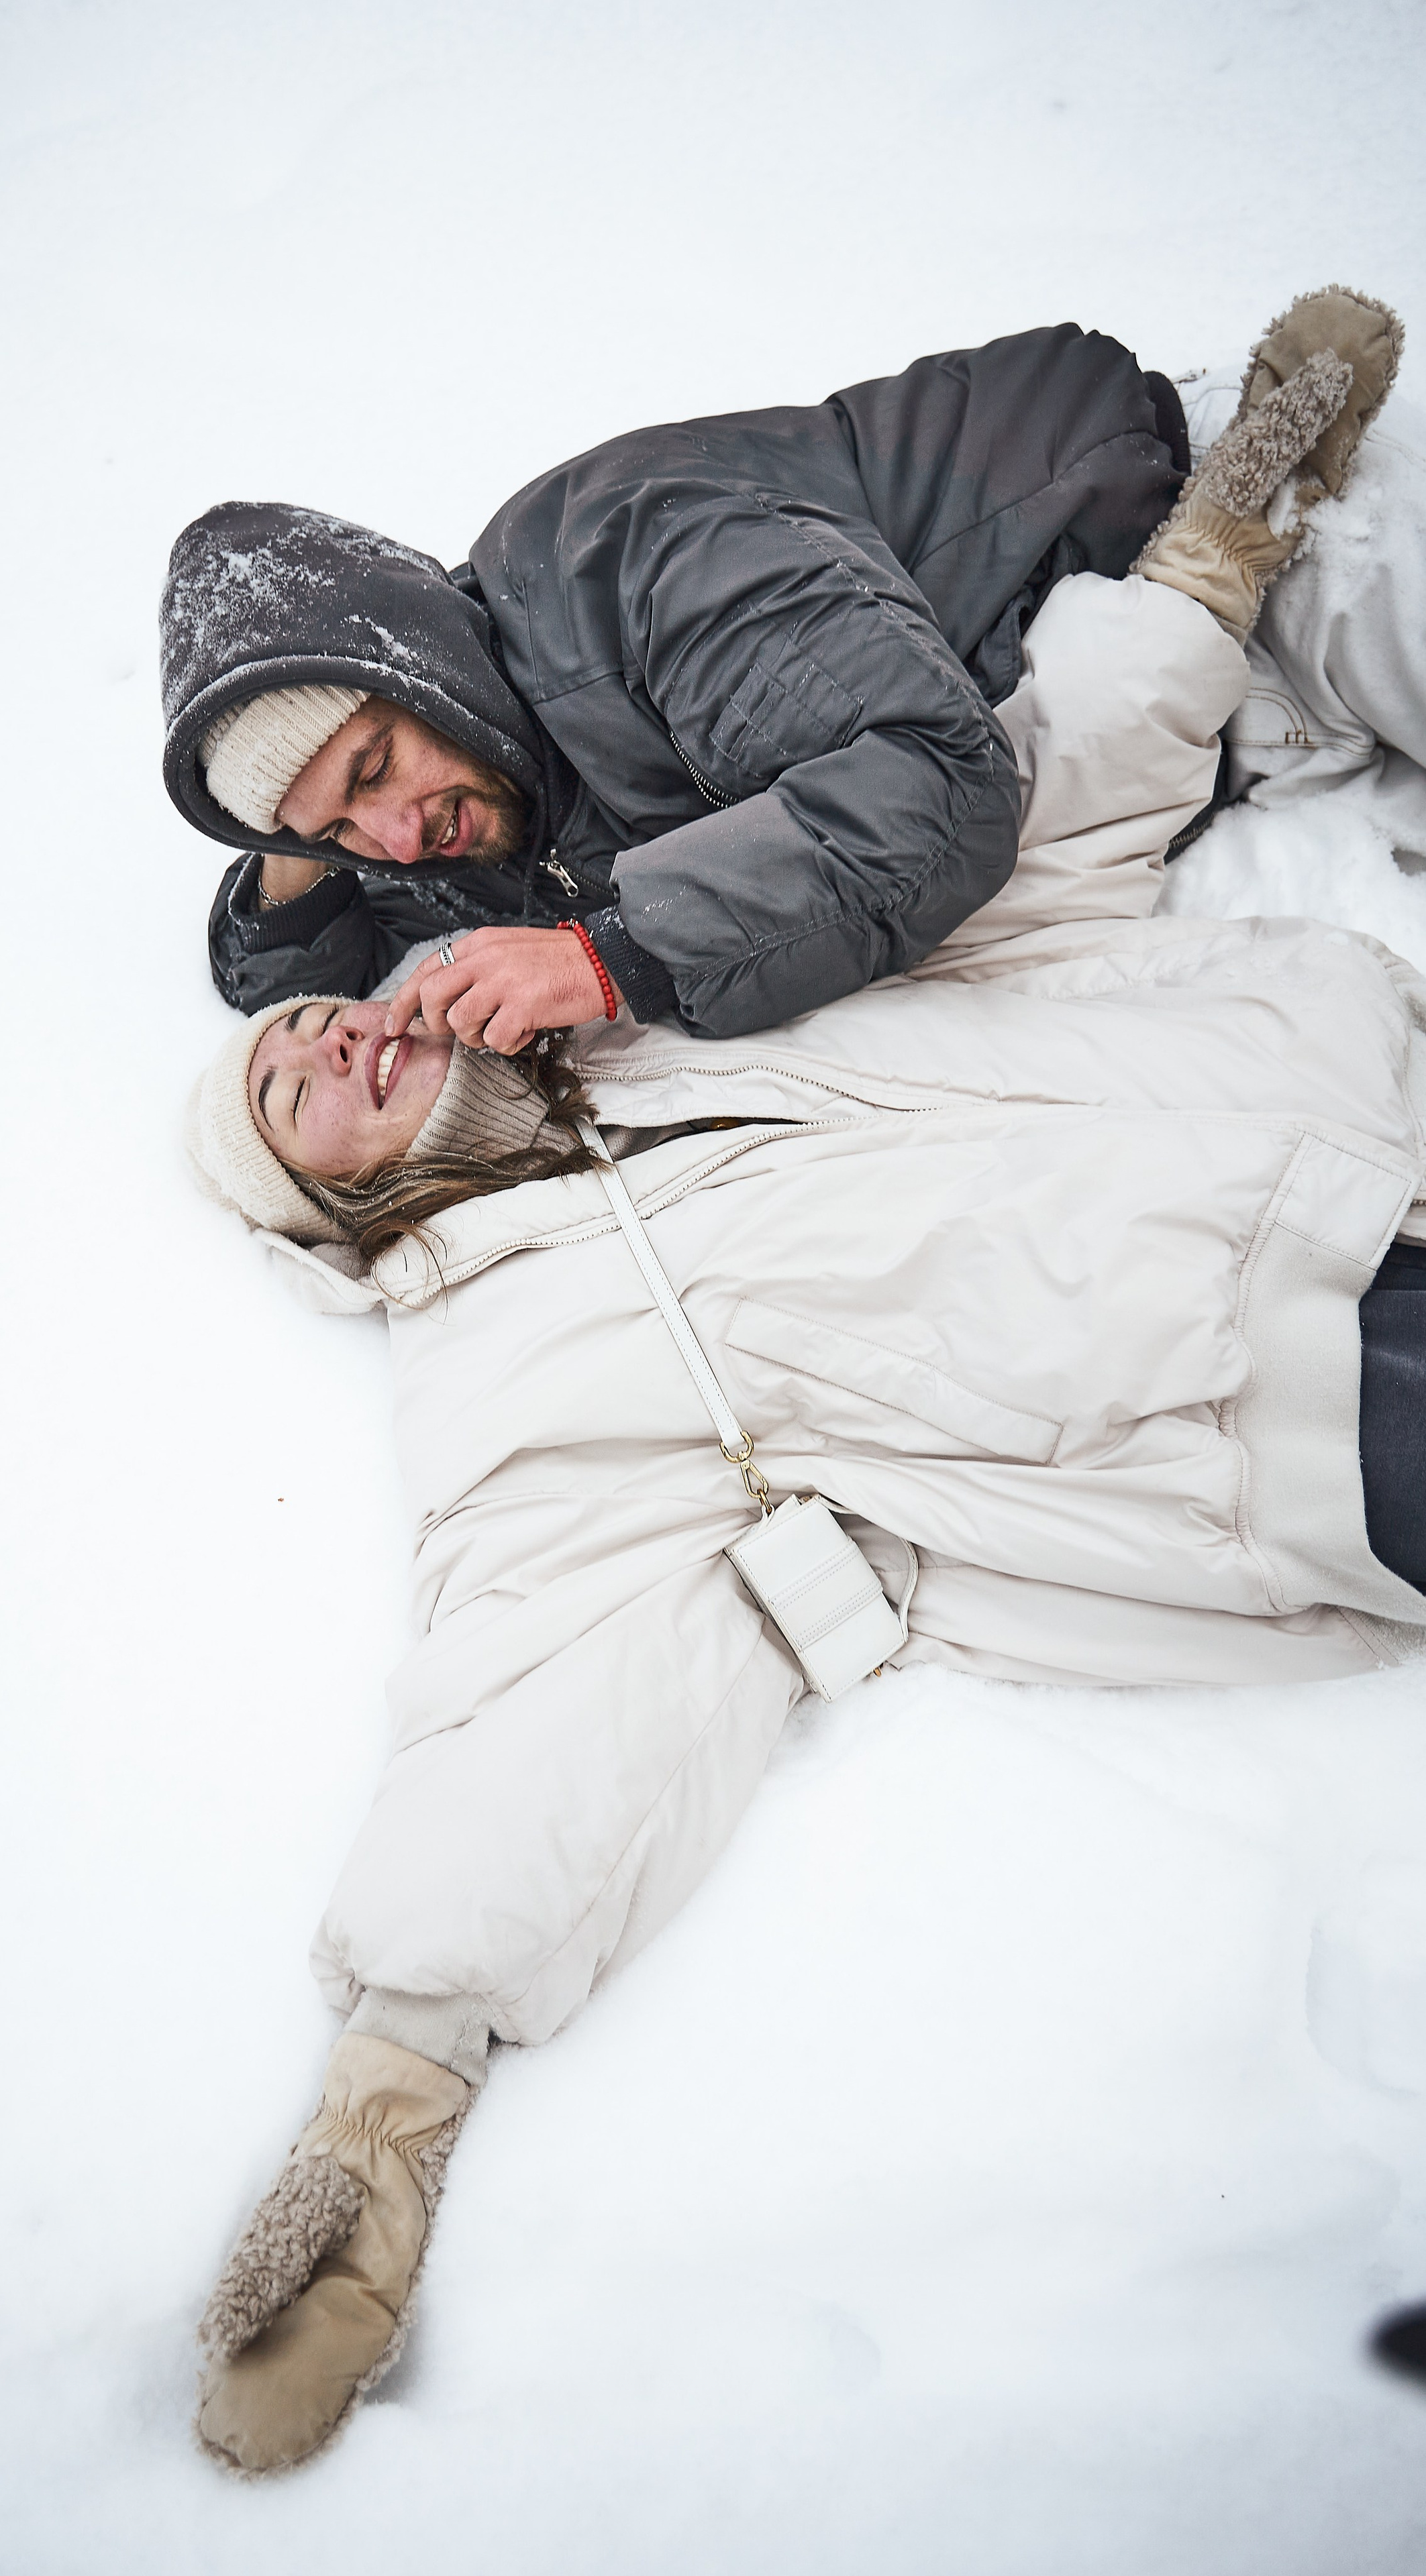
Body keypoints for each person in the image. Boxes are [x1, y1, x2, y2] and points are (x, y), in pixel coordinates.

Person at [179, 319, 1425, 2475]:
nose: (344, 1049)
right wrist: (383, 2113)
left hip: (1350, 1109)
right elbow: (539, 1701)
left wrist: (1214, 559)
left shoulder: (668, 994)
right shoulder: (520, 1364)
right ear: (336, 1223)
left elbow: (1029, 848)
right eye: (299, 1104)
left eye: (332, 1025)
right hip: (1291, 1408)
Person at [162, 320, 1201, 1042]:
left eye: (374, 768)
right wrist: (290, 837)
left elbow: (933, 787)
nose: (389, 839)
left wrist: (604, 959)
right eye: (338, 831)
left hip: (1147, 498)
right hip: (1139, 667)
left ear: (424, 667)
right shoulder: (452, 811)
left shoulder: (628, 560)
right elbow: (283, 978)